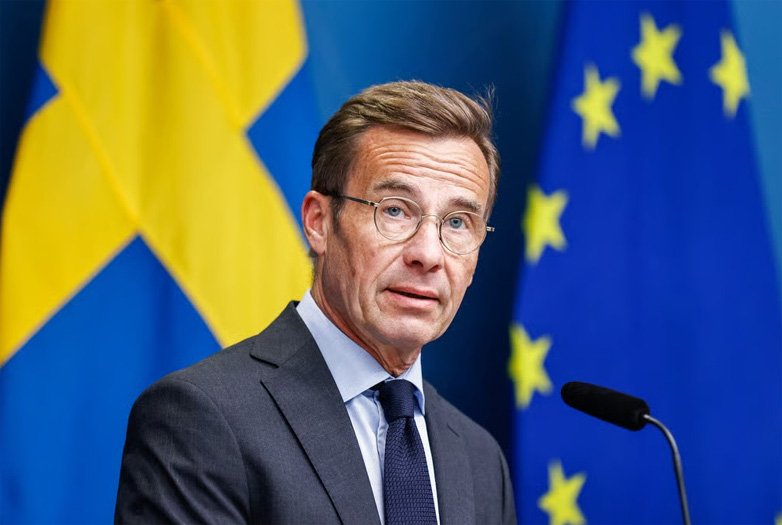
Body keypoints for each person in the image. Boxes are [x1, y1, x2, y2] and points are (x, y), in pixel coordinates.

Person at [115, 80, 516, 524]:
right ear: (319, 222)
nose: (428, 254)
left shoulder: (481, 460)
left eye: (458, 222)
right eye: (395, 210)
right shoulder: (200, 419)